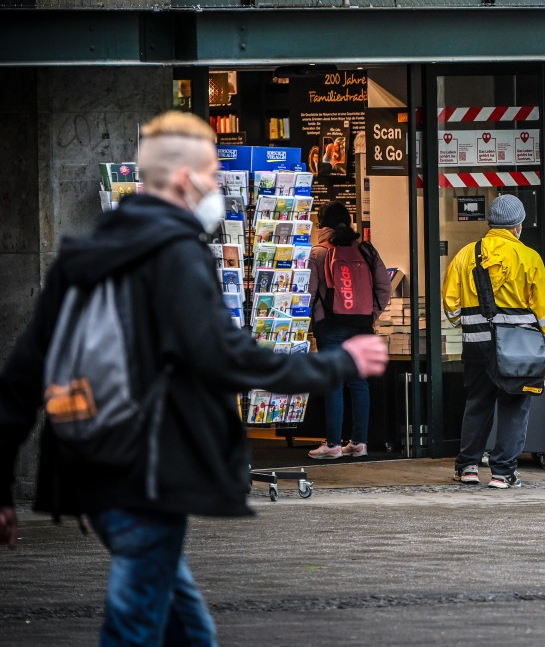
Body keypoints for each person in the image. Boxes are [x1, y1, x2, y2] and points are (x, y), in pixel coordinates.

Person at [0, 111, 388, 644]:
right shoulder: (176, 255)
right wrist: (340, 363)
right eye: (211, 176)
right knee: (134, 625)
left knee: (188, 626)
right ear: (184, 179)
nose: (216, 189)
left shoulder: (83, 256)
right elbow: (227, 358)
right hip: (147, 468)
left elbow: (22, 378)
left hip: (91, 462)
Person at [442, 194, 545, 489]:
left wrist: (464, 321)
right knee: (513, 406)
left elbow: (451, 306)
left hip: (476, 346)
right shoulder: (529, 258)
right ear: (517, 226)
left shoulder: (466, 255)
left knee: (477, 404)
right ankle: (502, 473)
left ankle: (468, 466)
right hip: (517, 350)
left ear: (491, 223)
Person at [307, 201, 391, 460]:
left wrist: (314, 319)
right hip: (362, 324)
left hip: (330, 325)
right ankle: (359, 442)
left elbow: (309, 292)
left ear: (322, 224)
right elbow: (384, 288)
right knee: (358, 382)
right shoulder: (366, 250)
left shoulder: (318, 253)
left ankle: (333, 444)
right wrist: (369, 314)